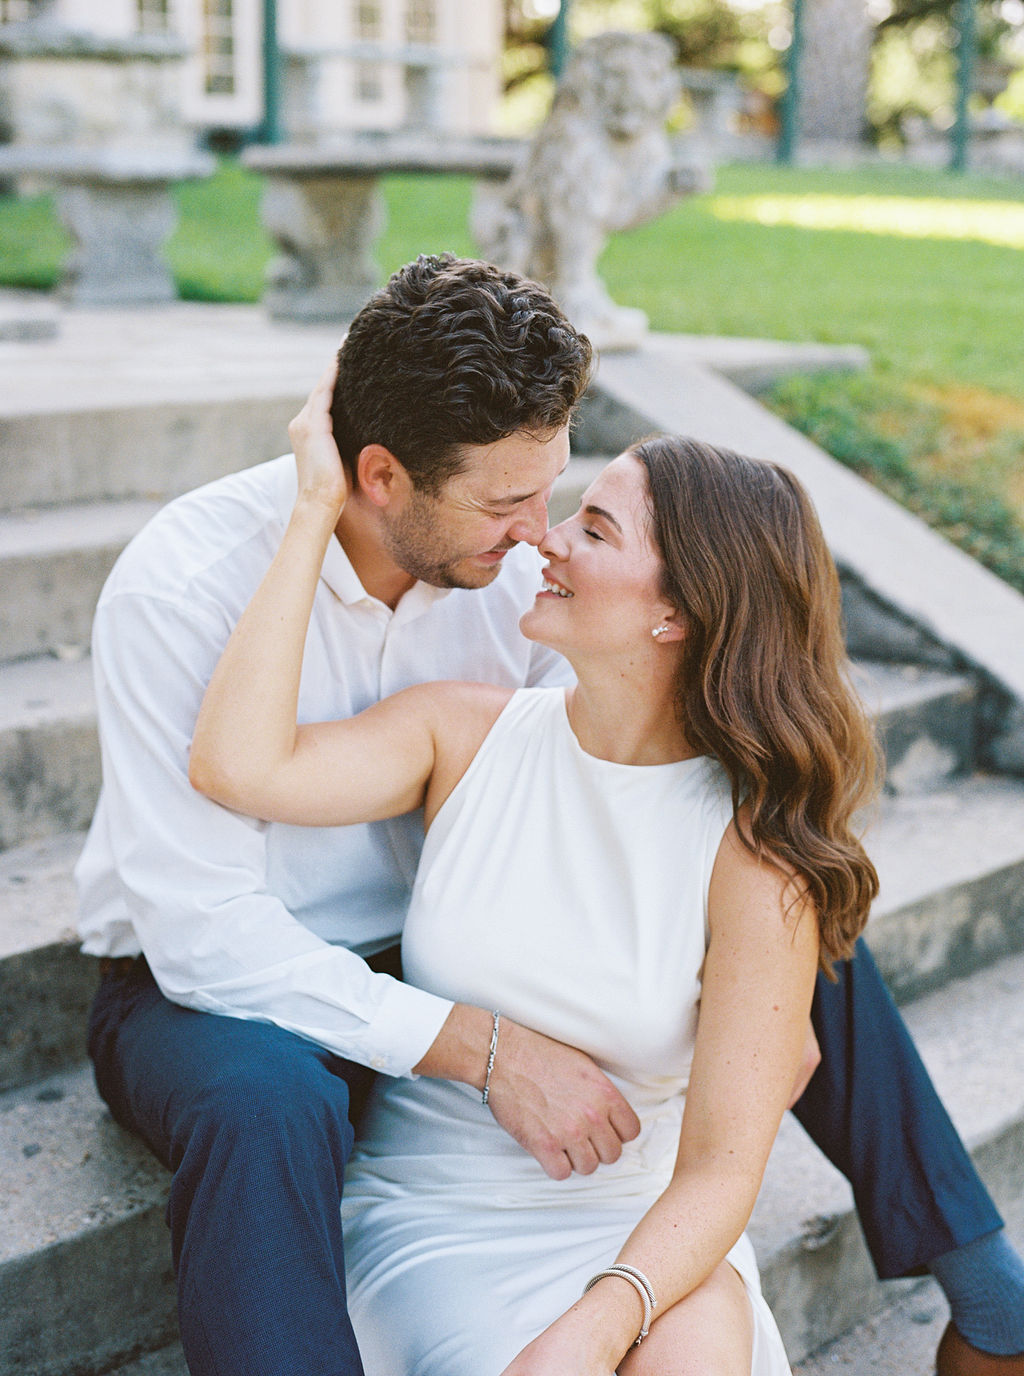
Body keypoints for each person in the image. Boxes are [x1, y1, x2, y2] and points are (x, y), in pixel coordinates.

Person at [77, 254, 1024, 1376]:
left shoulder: (510, 579)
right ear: (378, 474)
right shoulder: (180, 586)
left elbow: (614, 794)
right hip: (229, 989)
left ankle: (979, 1273)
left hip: (451, 951)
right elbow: (203, 933)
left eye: (558, 490)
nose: (540, 531)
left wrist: (739, 1025)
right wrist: (485, 1046)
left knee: (778, 876)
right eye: (507, 500)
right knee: (267, 1101)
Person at [189, 420, 884, 1373]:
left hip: (647, 1231)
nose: (544, 537)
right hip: (435, 1219)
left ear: (675, 613)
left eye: (595, 530)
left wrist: (596, 1326)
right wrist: (313, 509)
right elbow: (237, 764)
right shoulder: (459, 735)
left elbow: (723, 1171)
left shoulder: (758, 856)